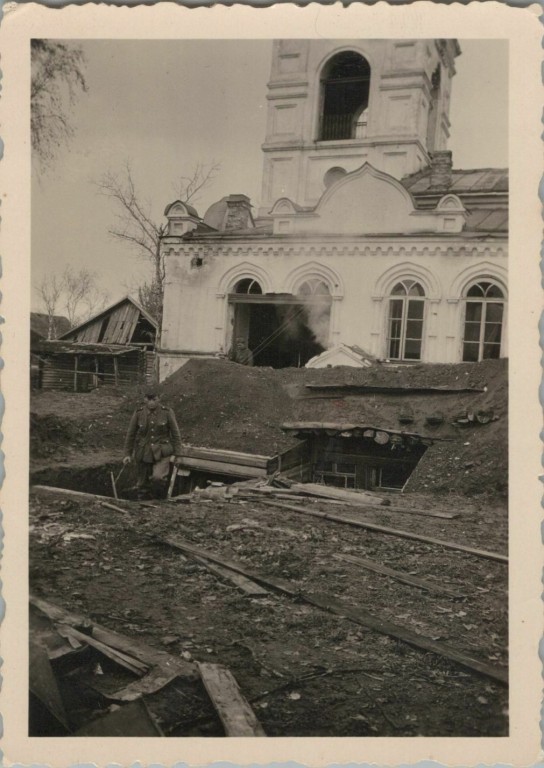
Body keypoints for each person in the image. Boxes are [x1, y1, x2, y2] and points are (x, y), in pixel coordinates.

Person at [123, 387, 183, 496]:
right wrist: (127, 454)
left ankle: (158, 499)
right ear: (144, 399)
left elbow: (176, 434)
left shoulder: (167, 412)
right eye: (148, 399)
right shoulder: (138, 413)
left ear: (159, 399)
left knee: (158, 478)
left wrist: (178, 454)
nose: (151, 402)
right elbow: (130, 435)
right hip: (143, 452)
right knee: (142, 483)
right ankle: (144, 500)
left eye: (154, 399)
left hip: (162, 451)